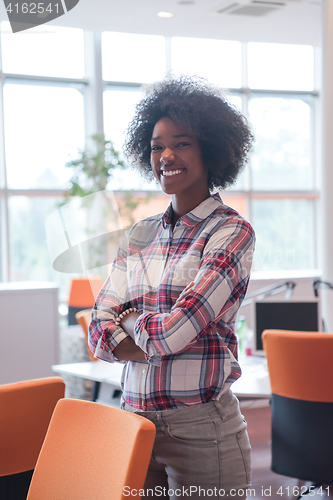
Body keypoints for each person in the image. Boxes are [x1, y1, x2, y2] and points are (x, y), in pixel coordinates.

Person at [89, 75, 255, 500]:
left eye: (181, 143)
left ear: (211, 150)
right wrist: (143, 329)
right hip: (133, 421)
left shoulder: (230, 232)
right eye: (156, 146)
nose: (166, 155)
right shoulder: (140, 234)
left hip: (201, 430)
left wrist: (130, 321)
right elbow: (98, 330)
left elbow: (176, 331)